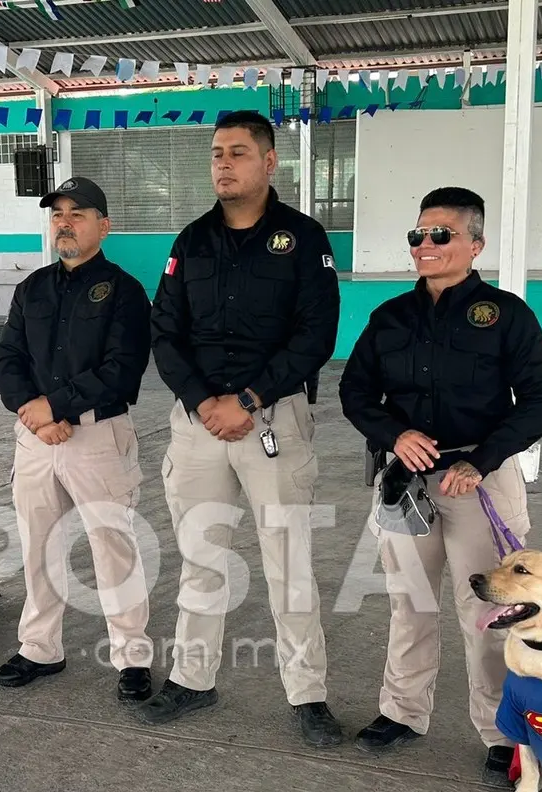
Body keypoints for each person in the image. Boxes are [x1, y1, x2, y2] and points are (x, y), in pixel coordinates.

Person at [338, 186, 542, 778]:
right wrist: (395, 435)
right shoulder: (390, 318)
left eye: (441, 235)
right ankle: (402, 712)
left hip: (479, 481)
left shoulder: (505, 315)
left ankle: (501, 731)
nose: (426, 245)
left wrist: (481, 459)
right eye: (418, 235)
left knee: (487, 613)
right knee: (408, 605)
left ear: (474, 244)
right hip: (406, 481)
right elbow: (354, 393)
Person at [146, 109, 343, 746]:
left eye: (237, 152)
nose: (223, 164)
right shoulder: (190, 241)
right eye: (216, 154)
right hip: (199, 419)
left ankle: (307, 693)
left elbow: (316, 335)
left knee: (289, 560)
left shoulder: (305, 239)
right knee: (202, 556)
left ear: (268, 162)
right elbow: (165, 332)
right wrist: (204, 400)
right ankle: (191, 680)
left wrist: (251, 398)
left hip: (273, 417)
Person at [0, 176, 156, 702]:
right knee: (40, 546)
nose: (64, 222)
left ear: (103, 227)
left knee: (113, 548)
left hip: (98, 436)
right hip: (36, 437)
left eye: (77, 214)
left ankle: (132, 656)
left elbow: (122, 371)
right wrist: (33, 412)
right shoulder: (32, 288)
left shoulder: (125, 291)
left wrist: (55, 406)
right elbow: (6, 361)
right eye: (57, 213)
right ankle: (40, 648)